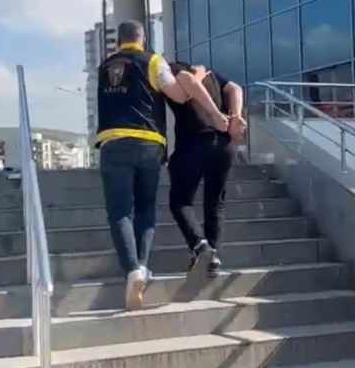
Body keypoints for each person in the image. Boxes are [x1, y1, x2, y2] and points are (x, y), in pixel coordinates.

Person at [95, 21, 229, 311]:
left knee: (119, 213)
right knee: (145, 209)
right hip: (148, 143)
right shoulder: (153, 61)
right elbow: (181, 94)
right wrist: (197, 75)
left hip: (113, 142)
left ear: (117, 42)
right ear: (142, 38)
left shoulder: (104, 67)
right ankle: (143, 264)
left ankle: (133, 270)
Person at [166, 61, 246, 278]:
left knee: (180, 201)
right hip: (223, 145)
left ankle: (200, 245)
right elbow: (235, 88)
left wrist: (214, 113)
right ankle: (214, 258)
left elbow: (186, 79)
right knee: (215, 203)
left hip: (194, 142)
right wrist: (236, 115)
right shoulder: (211, 75)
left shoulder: (175, 72)